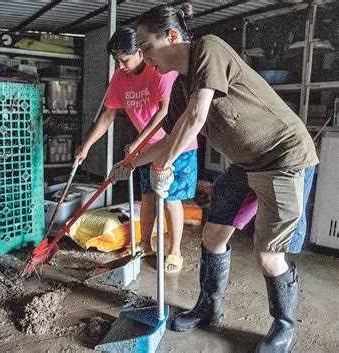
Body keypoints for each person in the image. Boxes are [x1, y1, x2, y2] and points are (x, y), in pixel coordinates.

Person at [109, 3, 318, 352]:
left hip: (284, 158)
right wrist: (131, 163)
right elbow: (169, 137)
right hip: (248, 163)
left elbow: (195, 118)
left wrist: (163, 167)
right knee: (213, 234)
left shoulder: (209, 48)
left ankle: (284, 327)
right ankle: (208, 308)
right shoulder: (179, 88)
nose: (143, 58)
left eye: (146, 48)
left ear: (172, 36)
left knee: (269, 256)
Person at [75, 26, 198, 274]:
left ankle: (174, 251)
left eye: (124, 60)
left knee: (171, 197)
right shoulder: (121, 78)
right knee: (148, 196)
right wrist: (86, 147)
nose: (121, 67)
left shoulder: (160, 72)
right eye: (117, 62)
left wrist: (138, 141)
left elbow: (164, 113)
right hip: (147, 148)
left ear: (141, 52)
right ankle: (144, 245)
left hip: (176, 144)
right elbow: (108, 113)